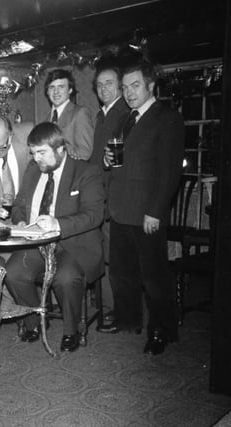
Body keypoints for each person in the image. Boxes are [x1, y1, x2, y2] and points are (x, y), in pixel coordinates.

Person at [102, 59, 185, 355]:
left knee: (154, 278)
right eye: (125, 87)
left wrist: (156, 211)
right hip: (122, 209)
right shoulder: (127, 118)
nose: (129, 92)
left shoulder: (167, 117)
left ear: (151, 85)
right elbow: (122, 159)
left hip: (146, 213)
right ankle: (129, 322)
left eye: (135, 85)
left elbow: (169, 171)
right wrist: (108, 161)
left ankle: (161, 331)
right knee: (122, 274)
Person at [4, 122, 104, 352]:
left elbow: (95, 215)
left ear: (60, 149)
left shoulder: (86, 172)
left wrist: (58, 223)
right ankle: (36, 321)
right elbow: (19, 203)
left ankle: (72, 331)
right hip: (37, 243)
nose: (36, 158)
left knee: (65, 278)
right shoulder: (33, 170)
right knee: (13, 273)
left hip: (71, 244)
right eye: (33, 153)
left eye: (42, 153)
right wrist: (19, 220)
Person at [89, 63, 130, 329]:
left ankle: (115, 310)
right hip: (99, 194)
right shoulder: (102, 115)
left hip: (115, 197)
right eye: (100, 84)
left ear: (119, 86)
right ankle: (106, 304)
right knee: (104, 252)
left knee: (115, 255)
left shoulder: (124, 115)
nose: (104, 88)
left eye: (109, 83)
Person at [43, 69, 94, 160]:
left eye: (61, 87)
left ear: (70, 90)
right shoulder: (46, 119)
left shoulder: (80, 113)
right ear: (47, 92)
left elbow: (85, 153)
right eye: (52, 87)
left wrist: (59, 146)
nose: (56, 92)